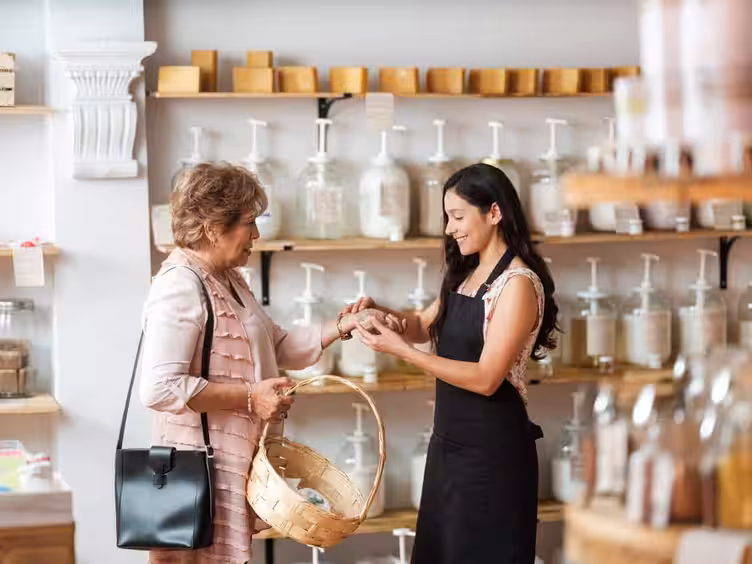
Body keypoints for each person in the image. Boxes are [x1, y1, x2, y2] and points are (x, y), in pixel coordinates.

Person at [139, 162, 400, 564]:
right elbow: (158, 388)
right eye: (249, 222)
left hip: (229, 465)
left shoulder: (228, 278)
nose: (257, 235)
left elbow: (277, 345)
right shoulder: (179, 285)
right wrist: (249, 398)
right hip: (197, 476)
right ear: (212, 227)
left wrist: (343, 324)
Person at [343, 163, 559, 564]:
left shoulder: (517, 285)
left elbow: (486, 379)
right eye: (447, 217)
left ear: (494, 213)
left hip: (493, 457)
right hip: (448, 448)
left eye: (458, 217)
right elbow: (422, 325)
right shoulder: (467, 274)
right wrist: (381, 314)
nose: (449, 228)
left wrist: (403, 353)